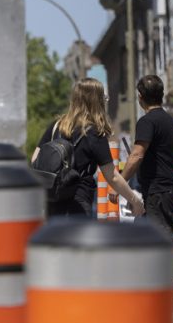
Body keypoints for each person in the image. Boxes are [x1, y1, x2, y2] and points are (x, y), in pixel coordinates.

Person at [32, 78, 143, 218]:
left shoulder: (56, 125)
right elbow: (112, 176)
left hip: (51, 200)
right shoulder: (93, 132)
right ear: (96, 101)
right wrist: (134, 200)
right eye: (103, 97)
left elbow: (36, 159)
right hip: (77, 202)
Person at [120, 75, 173, 237]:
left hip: (157, 192)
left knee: (161, 237)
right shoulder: (170, 121)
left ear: (140, 96)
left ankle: (170, 263)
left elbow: (137, 155)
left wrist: (119, 182)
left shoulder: (146, 122)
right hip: (169, 190)